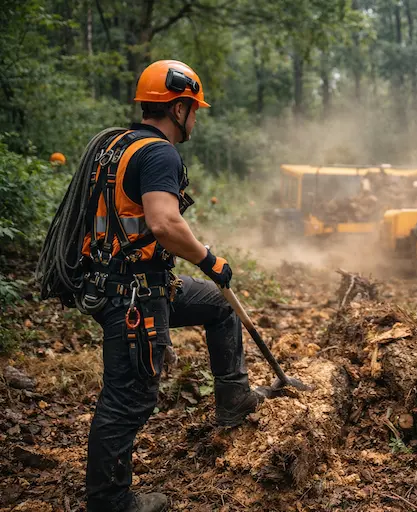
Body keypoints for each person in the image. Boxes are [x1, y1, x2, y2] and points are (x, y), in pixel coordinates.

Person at [79, 60, 269, 512]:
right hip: (131, 295)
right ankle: (109, 501)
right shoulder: (159, 152)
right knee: (129, 396)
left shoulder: (115, 147)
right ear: (179, 107)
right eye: (194, 109)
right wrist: (208, 259)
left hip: (139, 282)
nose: (196, 118)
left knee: (218, 309)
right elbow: (164, 222)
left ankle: (234, 398)